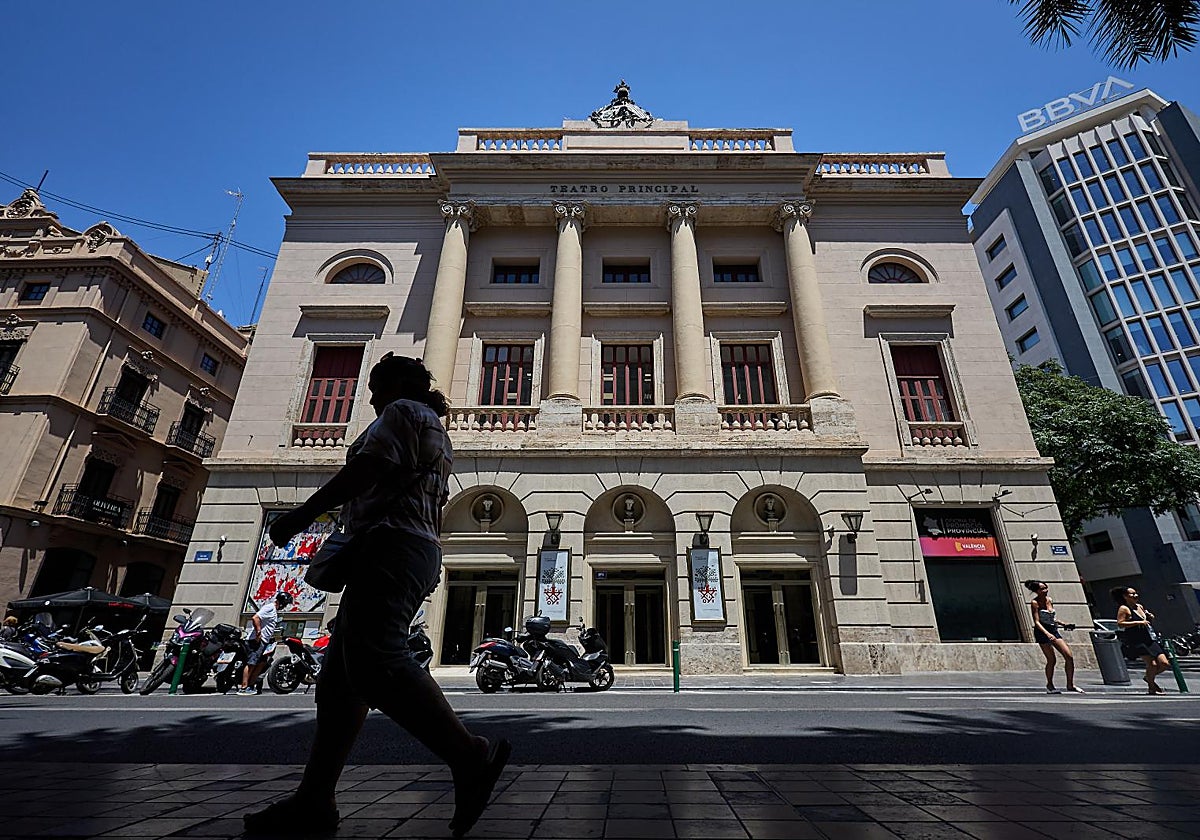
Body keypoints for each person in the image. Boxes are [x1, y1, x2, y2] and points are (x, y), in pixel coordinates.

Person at [244, 354, 509, 838]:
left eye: (375, 385)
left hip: (391, 544)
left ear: (397, 385)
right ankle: (314, 799)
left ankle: (468, 753)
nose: (367, 396)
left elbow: (367, 470)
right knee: (340, 683)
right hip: (405, 546)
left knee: (374, 658)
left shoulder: (403, 412)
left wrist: (302, 515)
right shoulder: (429, 422)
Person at [1023, 580, 1083, 694]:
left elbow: (1051, 618)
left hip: (1053, 629)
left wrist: (1063, 624)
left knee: (1068, 656)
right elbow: (1037, 621)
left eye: (1046, 588)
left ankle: (1070, 684)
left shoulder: (1050, 600)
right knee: (1052, 659)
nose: (1045, 590)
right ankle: (1050, 684)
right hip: (1042, 631)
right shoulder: (1034, 603)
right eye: (1042, 589)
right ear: (1036, 591)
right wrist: (1047, 634)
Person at [1112, 586, 1171, 695]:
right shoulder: (1124, 608)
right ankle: (1152, 687)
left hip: (1150, 638)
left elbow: (1146, 620)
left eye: (1136, 593)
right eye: (1132, 594)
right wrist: (1138, 623)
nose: (1135, 595)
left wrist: (1149, 617)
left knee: (1164, 663)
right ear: (1125, 596)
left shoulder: (1140, 606)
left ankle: (1148, 678)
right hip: (1137, 639)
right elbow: (1120, 624)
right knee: (1152, 664)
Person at [239, 591, 291, 696]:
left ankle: (251, 685)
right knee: (252, 663)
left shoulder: (274, 611)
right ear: (281, 602)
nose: (285, 606)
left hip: (265, 641)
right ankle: (243, 687)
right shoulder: (269, 608)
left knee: (261, 663)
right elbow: (255, 617)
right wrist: (258, 632)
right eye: (285, 604)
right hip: (257, 640)